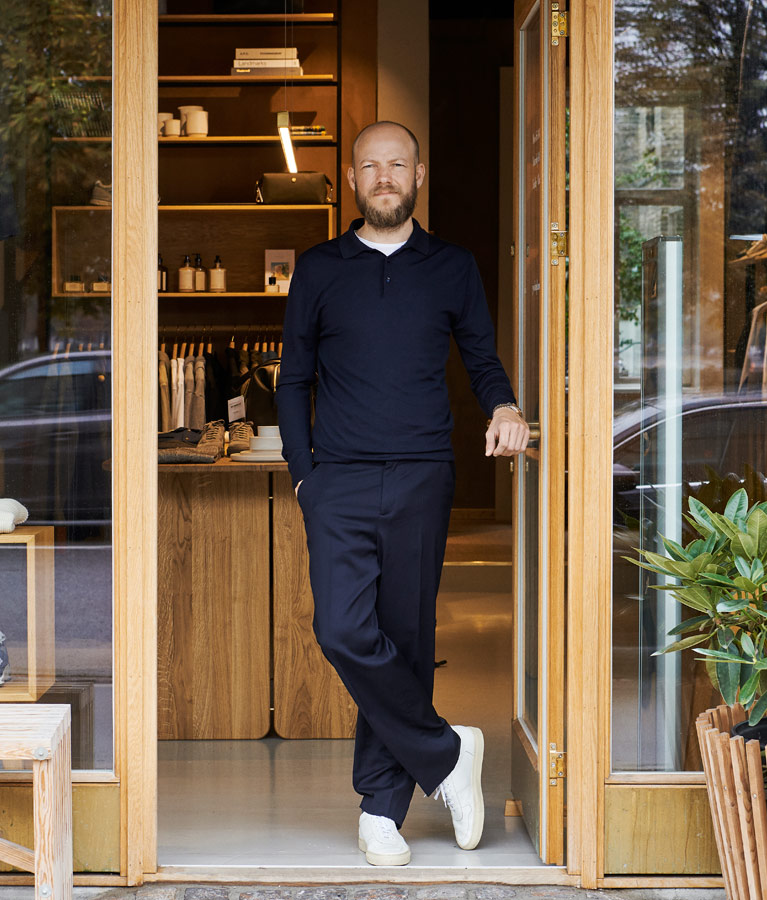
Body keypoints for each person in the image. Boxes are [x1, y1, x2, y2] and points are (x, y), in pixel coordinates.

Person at [276, 120, 528, 866]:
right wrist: (304, 478)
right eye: (370, 166)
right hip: (340, 482)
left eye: (398, 165)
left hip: (423, 474)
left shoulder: (451, 266)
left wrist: (506, 408)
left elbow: (482, 361)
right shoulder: (320, 268)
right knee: (343, 632)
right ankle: (449, 753)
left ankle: (381, 811)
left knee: (407, 639)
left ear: (419, 175)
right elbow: (293, 381)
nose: (384, 178)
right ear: (352, 180)